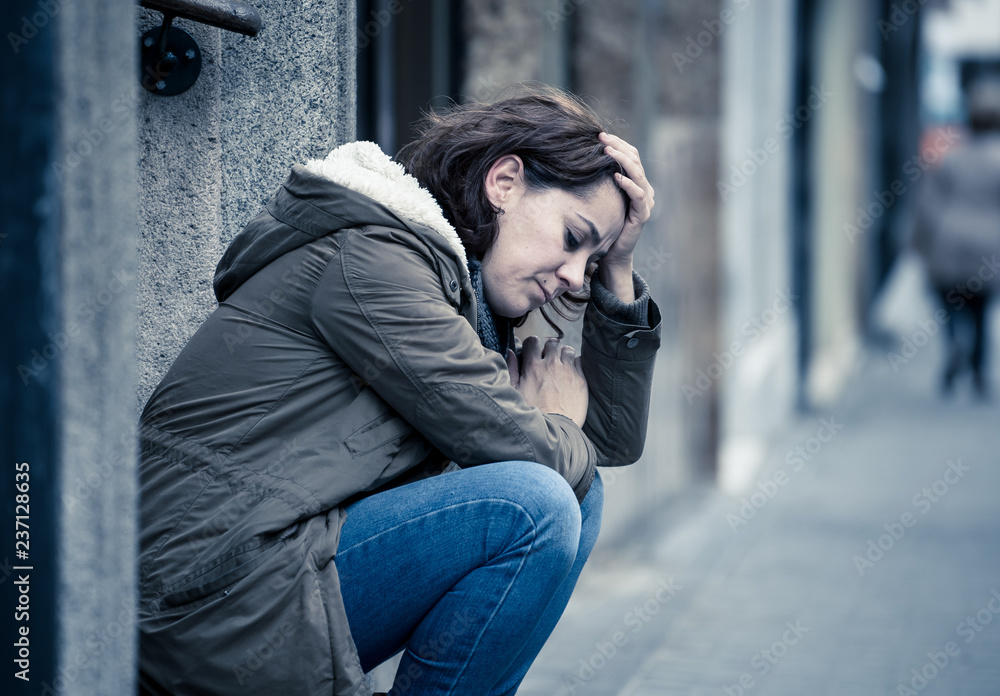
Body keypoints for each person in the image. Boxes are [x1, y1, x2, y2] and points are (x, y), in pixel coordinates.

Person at [137, 85, 660, 696]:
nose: (574, 275)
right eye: (574, 238)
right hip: (206, 589)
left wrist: (618, 268)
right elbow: (554, 456)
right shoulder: (375, 261)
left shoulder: (463, 300)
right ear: (506, 182)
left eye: (591, 263)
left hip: (279, 562)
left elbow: (605, 445)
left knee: (573, 494)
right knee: (532, 506)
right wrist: (556, 426)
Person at [914, 77, 1000, 398]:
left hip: (949, 242)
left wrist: (920, 244)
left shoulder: (951, 159)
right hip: (989, 246)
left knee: (949, 303)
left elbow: (928, 205)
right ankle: (978, 370)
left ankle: (954, 345)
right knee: (981, 309)